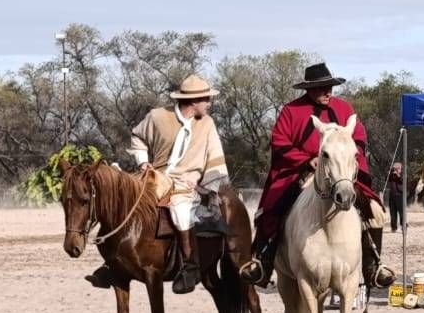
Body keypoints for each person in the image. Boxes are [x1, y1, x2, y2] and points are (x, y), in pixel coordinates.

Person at [239, 62, 381, 286]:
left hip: (340, 174)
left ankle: (373, 266)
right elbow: (279, 141)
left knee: (376, 211)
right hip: (302, 173)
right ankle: (263, 262)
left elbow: (359, 137)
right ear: (309, 89)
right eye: (322, 88)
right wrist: (306, 160)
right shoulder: (291, 110)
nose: (327, 92)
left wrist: (350, 158)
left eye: (329, 87)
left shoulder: (344, 108)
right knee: (274, 209)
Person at [87, 74, 229, 294]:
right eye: (206, 99)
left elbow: (215, 156)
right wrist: (143, 162)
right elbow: (137, 137)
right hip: (156, 177)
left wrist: (199, 177)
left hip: (186, 181)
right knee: (122, 199)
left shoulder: (207, 124)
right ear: (193, 101)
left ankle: (190, 265)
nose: (209, 103)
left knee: (181, 210)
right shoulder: (158, 116)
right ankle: (111, 261)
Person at [387, 162, 405, 232]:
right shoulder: (392, 175)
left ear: (400, 168)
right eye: (395, 168)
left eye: (398, 168)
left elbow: (402, 181)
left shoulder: (403, 174)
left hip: (400, 195)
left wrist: (398, 174)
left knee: (401, 212)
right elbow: (387, 180)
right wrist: (390, 173)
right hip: (392, 196)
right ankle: (393, 227)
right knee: (392, 213)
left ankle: (403, 226)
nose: (396, 170)